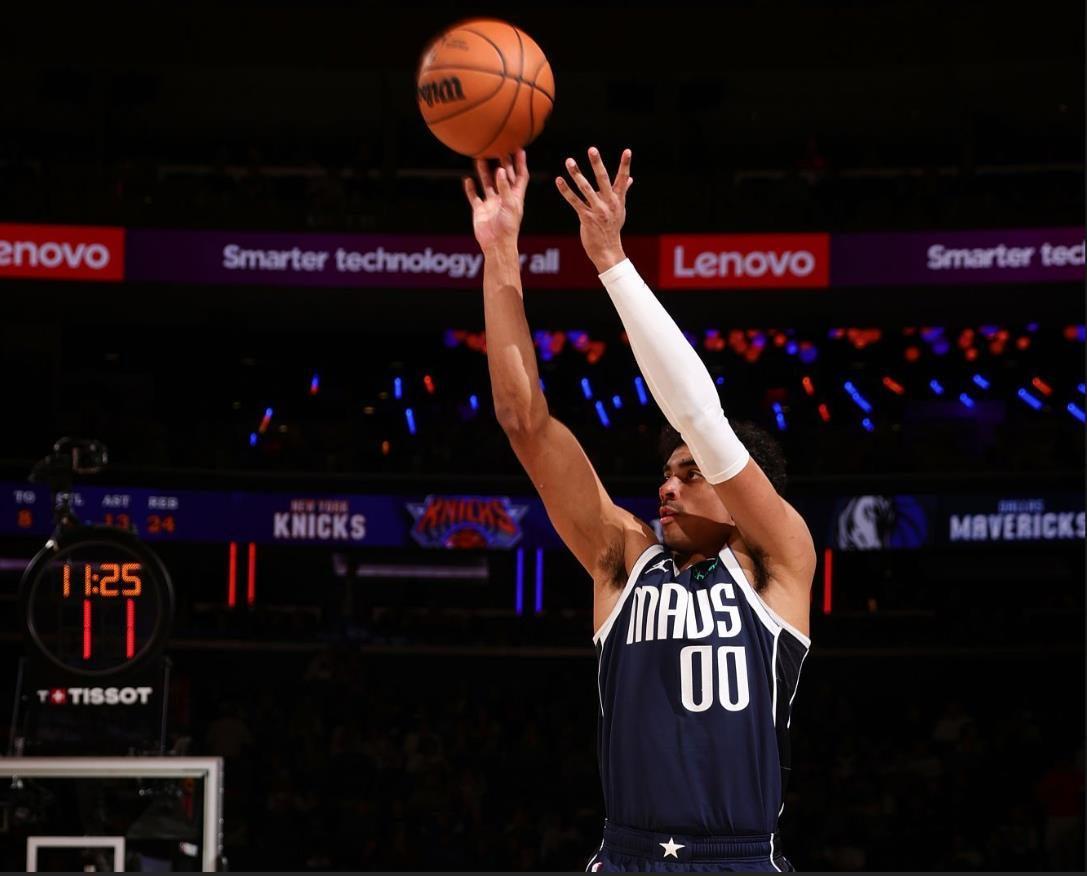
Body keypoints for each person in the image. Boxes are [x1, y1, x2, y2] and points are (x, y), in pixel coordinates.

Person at [464, 148, 815, 872]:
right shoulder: (623, 559)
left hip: (740, 858)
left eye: (690, 474)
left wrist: (611, 260)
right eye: (664, 474)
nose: (667, 487)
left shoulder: (778, 562)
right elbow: (523, 420)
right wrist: (500, 254)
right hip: (628, 854)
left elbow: (701, 419)